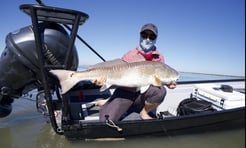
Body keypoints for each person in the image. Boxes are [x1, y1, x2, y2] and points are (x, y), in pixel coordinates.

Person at [97, 23, 176, 121]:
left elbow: (158, 79)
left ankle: (144, 112)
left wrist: (168, 83)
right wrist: (103, 81)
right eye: (144, 35)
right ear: (140, 36)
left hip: (142, 94)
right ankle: (110, 101)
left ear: (155, 39)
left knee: (160, 91)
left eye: (151, 36)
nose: (147, 39)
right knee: (106, 121)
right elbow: (117, 73)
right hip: (125, 92)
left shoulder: (159, 57)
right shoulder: (130, 55)